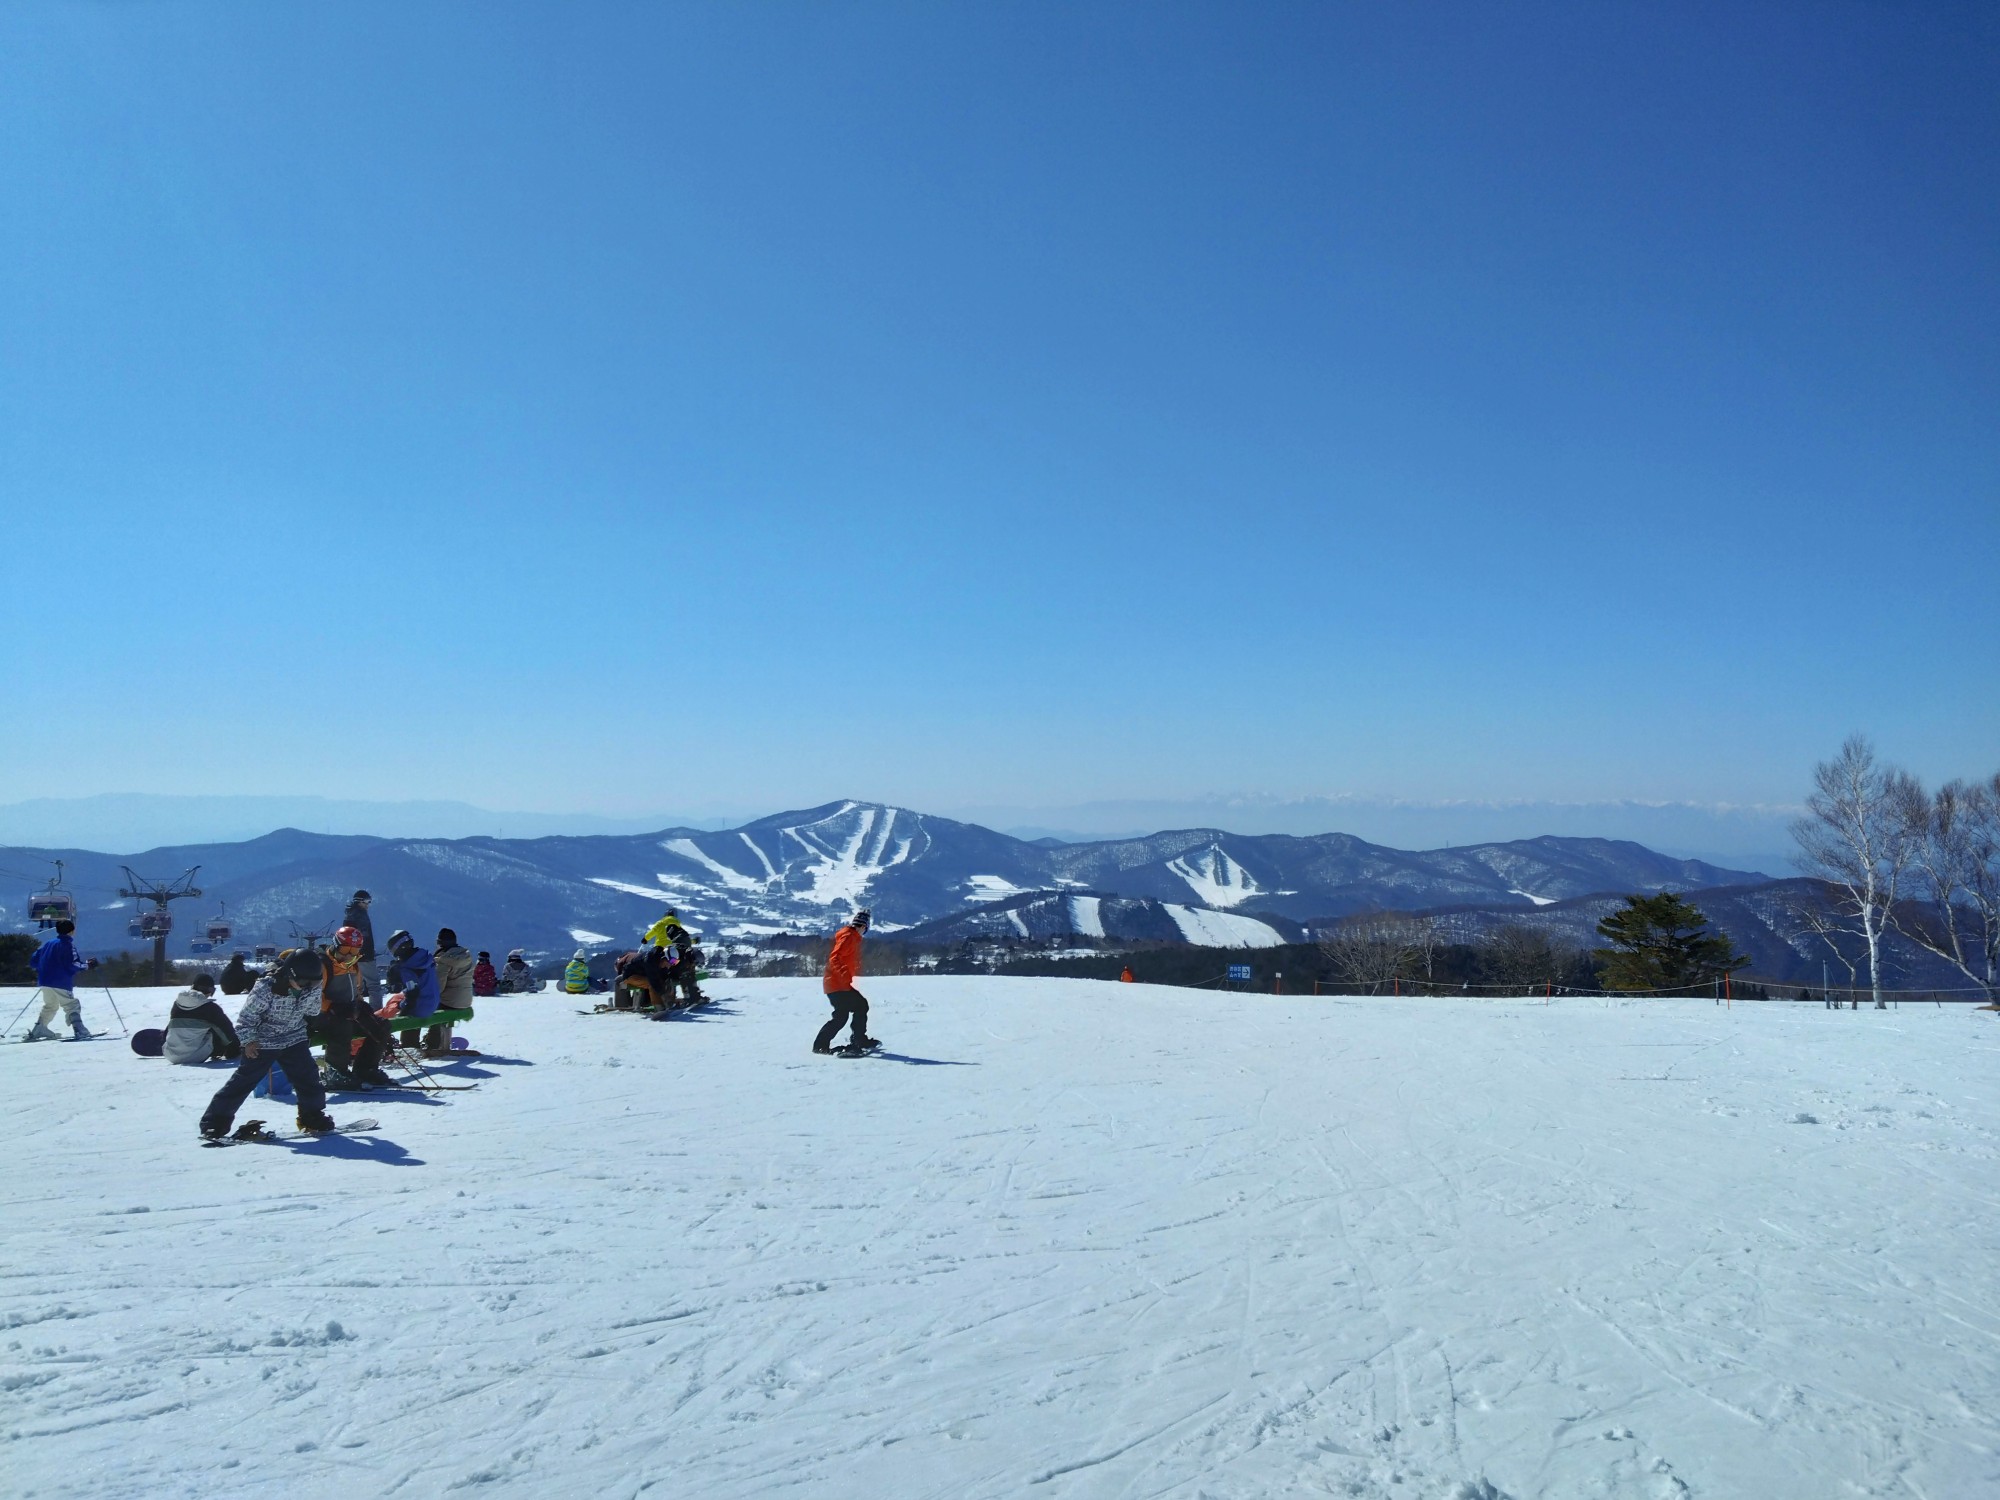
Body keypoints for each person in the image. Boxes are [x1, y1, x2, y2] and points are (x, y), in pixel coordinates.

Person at [199, 948, 337, 1139]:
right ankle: (214, 1123)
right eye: (304, 982)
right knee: (243, 1081)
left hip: (294, 1038)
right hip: (262, 1041)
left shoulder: (310, 987)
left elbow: (312, 1012)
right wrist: (248, 1041)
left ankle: (312, 1117)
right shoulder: (266, 988)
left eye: (313, 982)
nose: (308, 986)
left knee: (308, 1078)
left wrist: (310, 991)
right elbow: (246, 1019)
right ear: (290, 973)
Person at [318, 927, 393, 1089]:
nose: (348, 956)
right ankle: (335, 1072)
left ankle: (366, 1068)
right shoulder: (324, 965)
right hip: (322, 1015)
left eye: (354, 951)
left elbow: (356, 991)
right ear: (335, 945)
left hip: (346, 1011)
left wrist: (361, 1005)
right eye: (345, 950)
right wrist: (332, 1007)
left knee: (381, 1025)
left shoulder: (353, 966)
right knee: (342, 1025)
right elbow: (313, 998)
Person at [23, 918, 98, 1041]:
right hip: (61, 981)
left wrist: (44, 968)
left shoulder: (48, 944)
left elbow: (34, 961)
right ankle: (79, 1030)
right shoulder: (68, 945)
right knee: (71, 1005)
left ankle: (39, 1029)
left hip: (44, 980)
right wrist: (88, 965)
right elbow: (72, 964)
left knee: (50, 1005)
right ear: (71, 931)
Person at [812, 909, 876, 1054]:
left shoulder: (851, 937)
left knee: (859, 1005)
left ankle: (859, 1039)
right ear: (863, 927)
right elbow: (835, 958)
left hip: (838, 983)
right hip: (836, 984)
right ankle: (821, 1045)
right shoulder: (848, 937)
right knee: (843, 1014)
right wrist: (844, 974)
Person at [163, 973, 242, 1064]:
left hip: (170, 1055)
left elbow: (171, 1025)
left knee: (178, 1024)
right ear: (210, 990)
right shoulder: (210, 1008)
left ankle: (176, 1045)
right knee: (217, 1028)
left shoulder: (177, 1004)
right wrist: (235, 1049)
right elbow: (228, 1032)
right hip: (195, 1056)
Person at [429, 928, 475, 1055]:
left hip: (450, 1001)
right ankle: (441, 1042)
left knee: (430, 1008)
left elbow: (438, 988)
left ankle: (433, 1043)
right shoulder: (465, 956)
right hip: (465, 1000)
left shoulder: (444, 960)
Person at [382, 930, 440, 1021]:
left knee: (389, 1007)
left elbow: (412, 994)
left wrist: (403, 1013)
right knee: (397, 998)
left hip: (420, 1009)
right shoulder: (425, 958)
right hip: (434, 1003)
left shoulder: (406, 969)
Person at [343, 889, 379, 1002]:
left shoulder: (349, 914)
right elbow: (364, 936)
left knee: (356, 987)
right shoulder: (361, 915)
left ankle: (357, 1012)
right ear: (359, 901)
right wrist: (367, 953)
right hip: (365, 956)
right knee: (374, 985)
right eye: (367, 901)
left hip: (351, 956)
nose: (368, 905)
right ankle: (376, 1014)